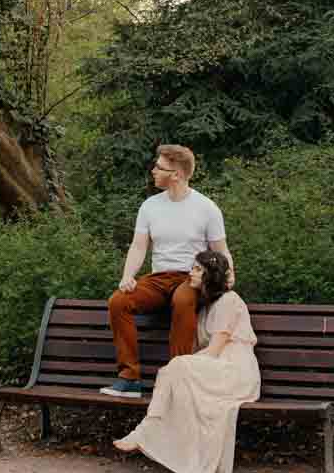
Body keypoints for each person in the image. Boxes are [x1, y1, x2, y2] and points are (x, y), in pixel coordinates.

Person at [112, 250, 260, 473]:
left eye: (198, 269)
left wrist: (182, 367)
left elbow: (215, 350)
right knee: (180, 383)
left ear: (211, 275)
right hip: (216, 368)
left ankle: (146, 433)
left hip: (234, 368)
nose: (190, 273)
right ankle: (186, 465)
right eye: (193, 268)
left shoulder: (229, 301)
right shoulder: (203, 307)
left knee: (176, 368)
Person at [100, 144, 234, 398]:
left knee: (183, 299)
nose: (153, 171)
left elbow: (221, 250)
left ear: (177, 174)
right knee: (119, 301)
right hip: (159, 278)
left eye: (159, 167)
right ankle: (129, 379)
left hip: (191, 277)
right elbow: (139, 246)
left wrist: (229, 276)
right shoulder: (150, 206)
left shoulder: (206, 208)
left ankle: (177, 378)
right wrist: (127, 276)